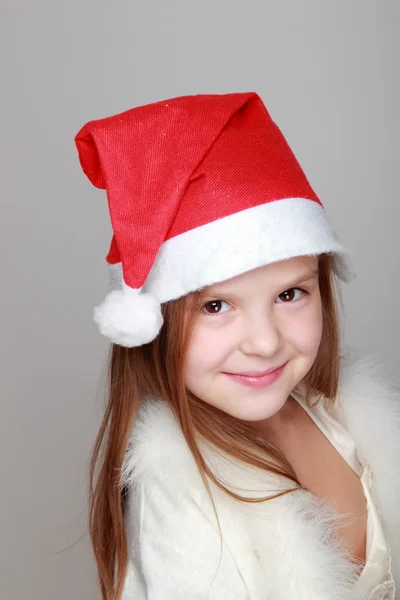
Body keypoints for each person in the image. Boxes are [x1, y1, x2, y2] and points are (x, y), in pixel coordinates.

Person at [74, 92, 399, 600]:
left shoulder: (335, 417)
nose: (266, 341)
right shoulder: (179, 497)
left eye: (290, 294)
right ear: (153, 322)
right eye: (216, 306)